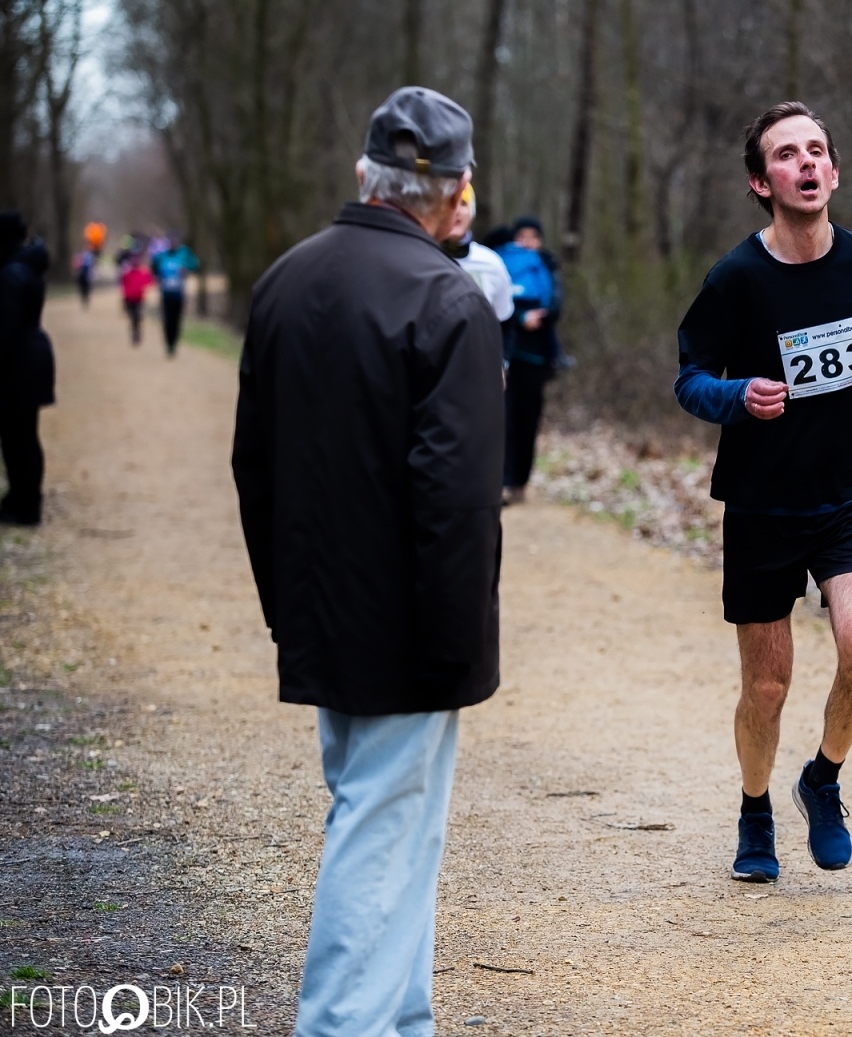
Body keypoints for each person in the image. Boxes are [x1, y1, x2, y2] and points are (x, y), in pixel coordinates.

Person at [231, 86, 503, 1037]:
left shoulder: (285, 280)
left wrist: (285, 609)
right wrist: (457, 645)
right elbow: (459, 499)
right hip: (409, 628)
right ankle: (344, 1024)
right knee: (379, 833)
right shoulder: (448, 298)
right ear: (458, 192)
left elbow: (252, 470)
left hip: (321, 610)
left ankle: (401, 1019)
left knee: (393, 826)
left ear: (364, 174)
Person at [674, 102, 852, 883]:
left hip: (847, 498)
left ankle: (821, 779)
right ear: (763, 181)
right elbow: (688, 379)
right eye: (787, 154)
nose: (806, 163)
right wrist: (735, 397)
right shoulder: (735, 280)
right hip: (761, 505)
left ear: (832, 171)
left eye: (817, 150)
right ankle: (755, 808)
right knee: (767, 685)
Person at [492, 215, 562, 505]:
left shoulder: (548, 266)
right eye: (522, 236)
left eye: (534, 236)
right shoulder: (500, 263)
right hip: (507, 356)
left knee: (528, 421)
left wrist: (539, 318)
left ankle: (520, 481)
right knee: (504, 421)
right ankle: (504, 482)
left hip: (537, 358)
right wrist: (521, 318)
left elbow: (557, 307)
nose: (528, 242)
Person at [0, 212, 55, 526]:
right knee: (24, 435)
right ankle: (24, 500)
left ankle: (25, 504)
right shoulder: (25, 267)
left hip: (20, 362)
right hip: (32, 355)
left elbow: (5, 328)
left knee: (17, 437)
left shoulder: (11, 274)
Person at [443, 183, 515, 332]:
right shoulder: (417, 258)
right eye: (450, 202)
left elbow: (504, 320)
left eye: (463, 203)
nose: (456, 210)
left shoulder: (491, 263)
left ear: (471, 212)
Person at [151, 238, 200, 356]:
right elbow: (153, 266)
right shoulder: (161, 256)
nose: (173, 244)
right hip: (165, 293)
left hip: (179, 294)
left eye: (175, 242)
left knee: (176, 320)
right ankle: (168, 343)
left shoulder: (184, 255)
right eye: (171, 243)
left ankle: (174, 343)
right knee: (167, 319)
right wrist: (158, 277)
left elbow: (195, 265)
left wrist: (187, 271)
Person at [120, 254, 153, 346]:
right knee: (132, 317)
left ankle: (137, 333)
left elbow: (150, 283)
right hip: (129, 299)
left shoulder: (143, 273)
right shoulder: (127, 273)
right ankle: (134, 333)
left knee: (137, 317)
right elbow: (123, 286)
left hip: (139, 300)